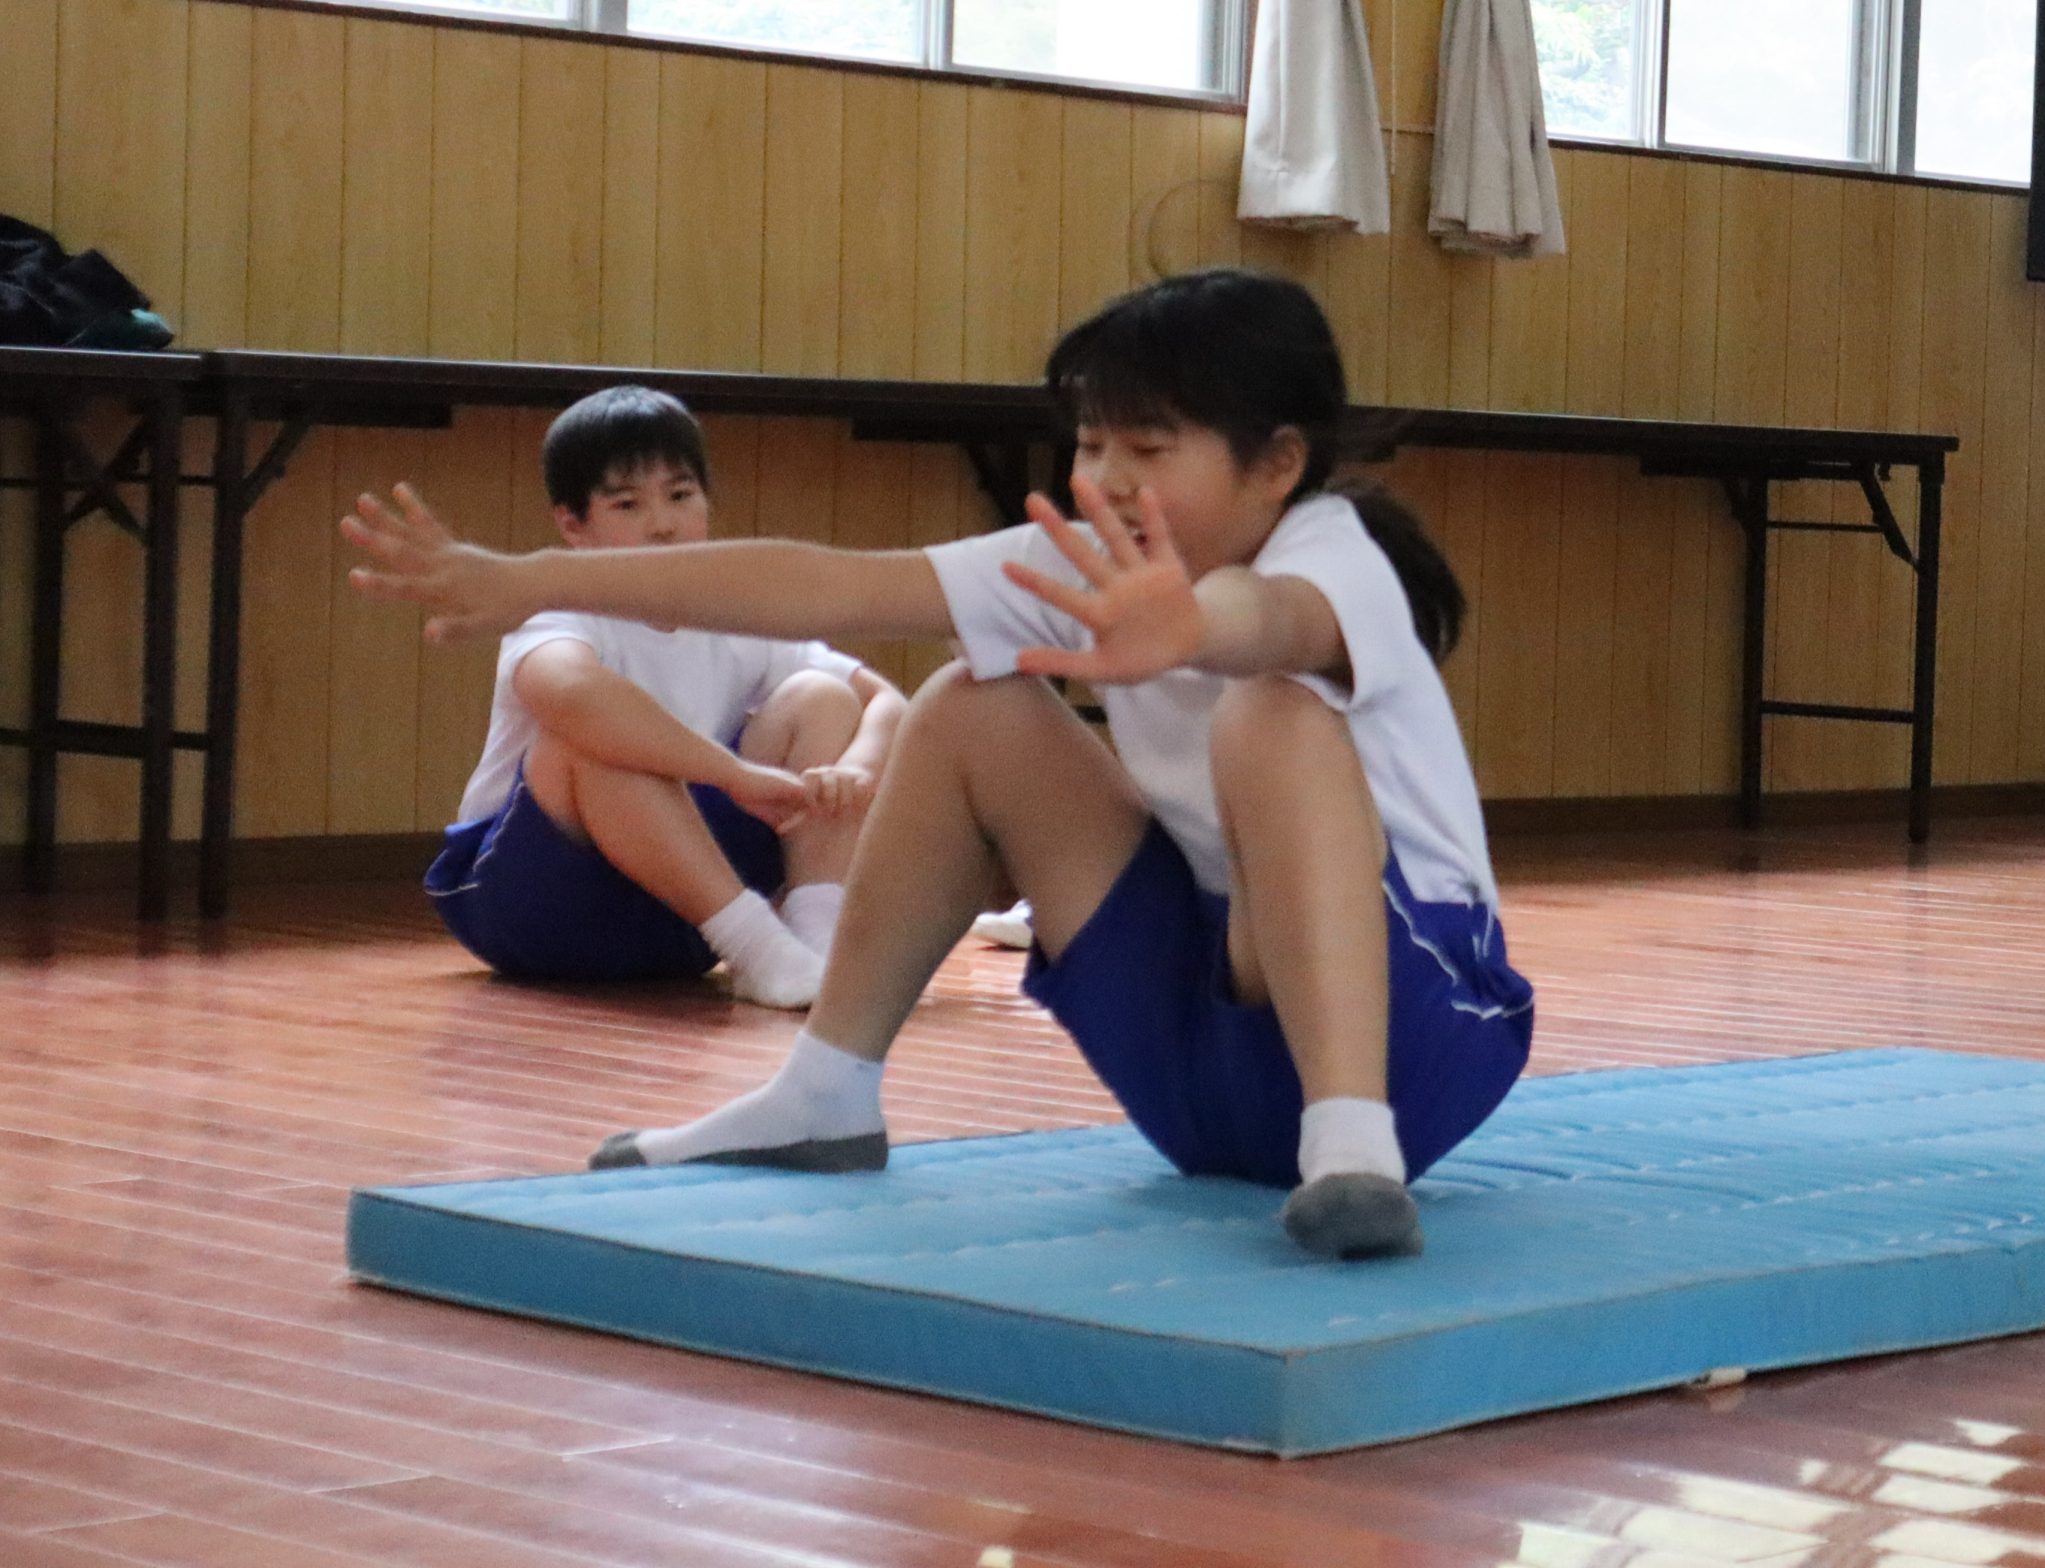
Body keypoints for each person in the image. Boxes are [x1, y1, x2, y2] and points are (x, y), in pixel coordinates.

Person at [344, 270, 1534, 1260]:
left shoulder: (1334, 552)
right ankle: (823, 1093)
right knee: (972, 702)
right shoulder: (1082, 554)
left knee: (1268, 710)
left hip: (1411, 1048)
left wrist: (1195, 627)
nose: (1108, 476)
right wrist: (530, 579)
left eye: (1149, 447)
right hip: (1204, 1072)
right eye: (1092, 443)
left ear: (1274, 464)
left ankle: (1349, 1140)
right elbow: (828, 583)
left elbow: (1275, 619)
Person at [425, 385, 906, 1008]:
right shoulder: (554, 611)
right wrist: (732, 774)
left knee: (822, 697)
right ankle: (758, 947)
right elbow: (573, 697)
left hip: (684, 914)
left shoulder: (734, 613)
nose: (663, 524)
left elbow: (887, 701)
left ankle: (813, 934)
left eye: (681, 496)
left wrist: (856, 769)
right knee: (595, 739)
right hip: (535, 911)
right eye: (628, 504)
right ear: (572, 525)